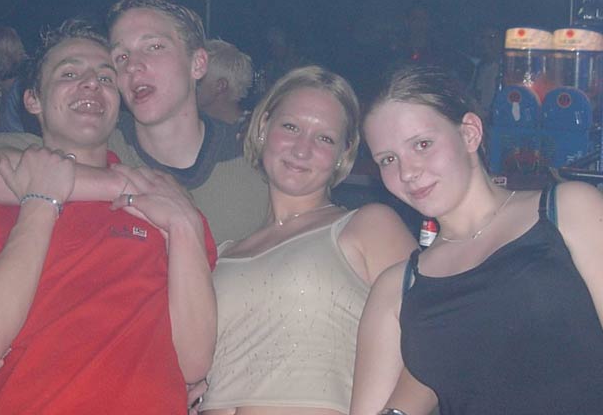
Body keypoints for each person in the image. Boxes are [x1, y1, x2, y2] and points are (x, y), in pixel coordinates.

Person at [0, 20, 217, 414]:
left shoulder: (165, 204)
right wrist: (40, 201)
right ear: (33, 100)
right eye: (69, 73)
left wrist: (184, 226)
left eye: (105, 77)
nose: (90, 84)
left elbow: (194, 363)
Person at [352, 64, 603, 415]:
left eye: (422, 144)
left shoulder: (568, 210)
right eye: (388, 159)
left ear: (470, 133)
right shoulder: (397, 289)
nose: (407, 172)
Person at [197, 66, 417, 415]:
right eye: (291, 127)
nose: (302, 150)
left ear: (344, 153)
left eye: (324, 138)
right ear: (263, 127)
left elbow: (436, 339)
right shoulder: (223, 255)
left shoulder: (367, 225)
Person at [0, 0, 269, 244]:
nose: (133, 65)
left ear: (198, 63)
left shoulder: (252, 160)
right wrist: (126, 184)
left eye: (154, 47)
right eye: (121, 57)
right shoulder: (94, 145)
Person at [197, 39, 253, 125]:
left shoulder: (253, 129)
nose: (191, 84)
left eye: (199, 81)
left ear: (220, 86)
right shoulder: (193, 124)